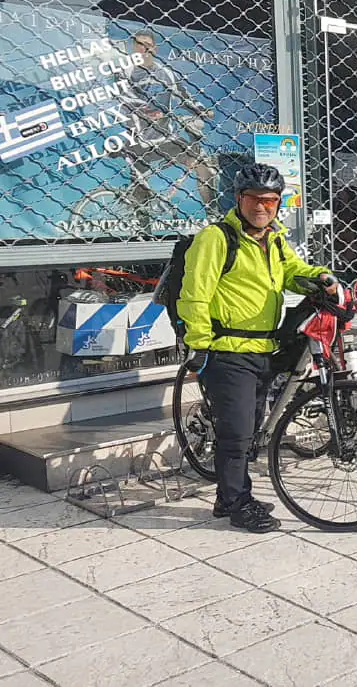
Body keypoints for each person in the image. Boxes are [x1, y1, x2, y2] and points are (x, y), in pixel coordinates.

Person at [178, 163, 335, 534]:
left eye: (270, 200)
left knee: (249, 427)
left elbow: (292, 271)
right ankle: (237, 503)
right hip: (226, 350)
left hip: (263, 348)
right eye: (253, 198)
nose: (261, 206)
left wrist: (320, 276)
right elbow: (194, 294)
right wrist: (199, 345)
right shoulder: (216, 238)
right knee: (236, 433)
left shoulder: (275, 239)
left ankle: (226, 496)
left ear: (279, 203)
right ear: (239, 199)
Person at [116, 30, 219, 226]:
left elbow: (184, 95)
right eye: (139, 44)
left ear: (155, 48)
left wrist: (202, 110)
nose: (144, 48)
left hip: (165, 138)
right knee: (140, 188)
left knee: (204, 166)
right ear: (133, 48)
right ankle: (141, 227)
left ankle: (213, 215)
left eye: (148, 45)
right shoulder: (124, 72)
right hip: (137, 140)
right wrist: (150, 110)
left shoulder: (166, 73)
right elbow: (125, 99)